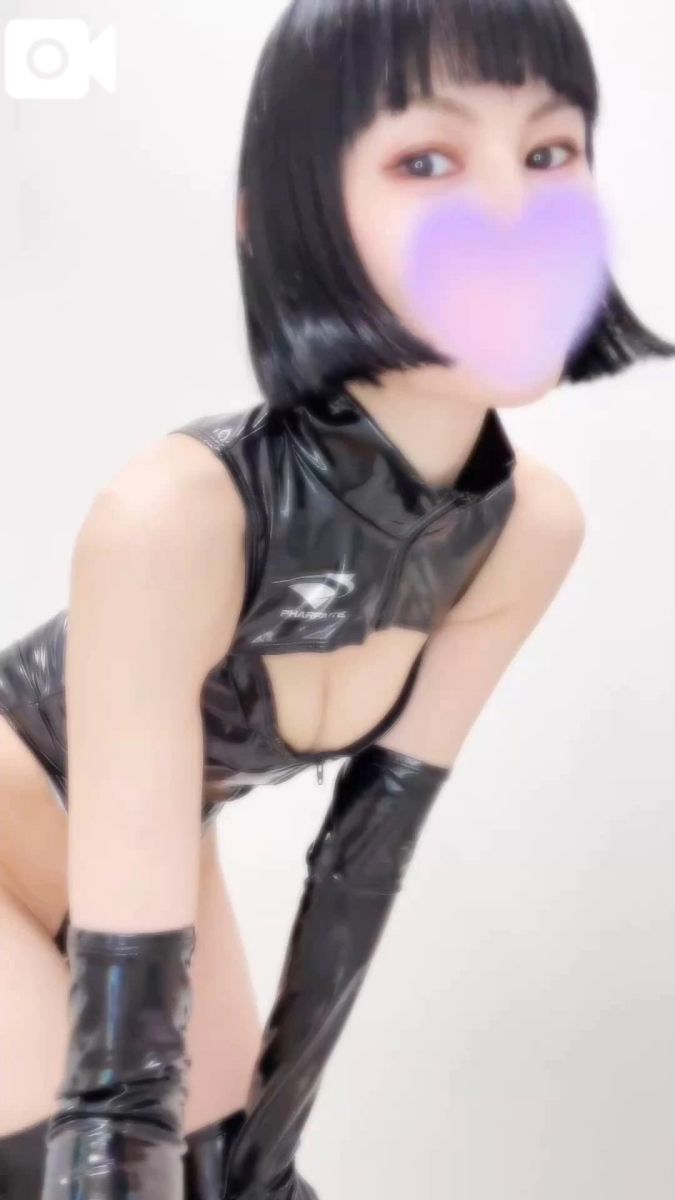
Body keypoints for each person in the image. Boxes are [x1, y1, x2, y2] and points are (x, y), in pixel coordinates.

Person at [1, 1, 673, 1197]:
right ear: (281, 218)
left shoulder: (526, 532)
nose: (515, 213)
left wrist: (268, 1169)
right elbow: (117, 1098)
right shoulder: (179, 515)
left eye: (549, 150)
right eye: (428, 161)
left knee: (228, 1173)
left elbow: (362, 864)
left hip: (146, 855)